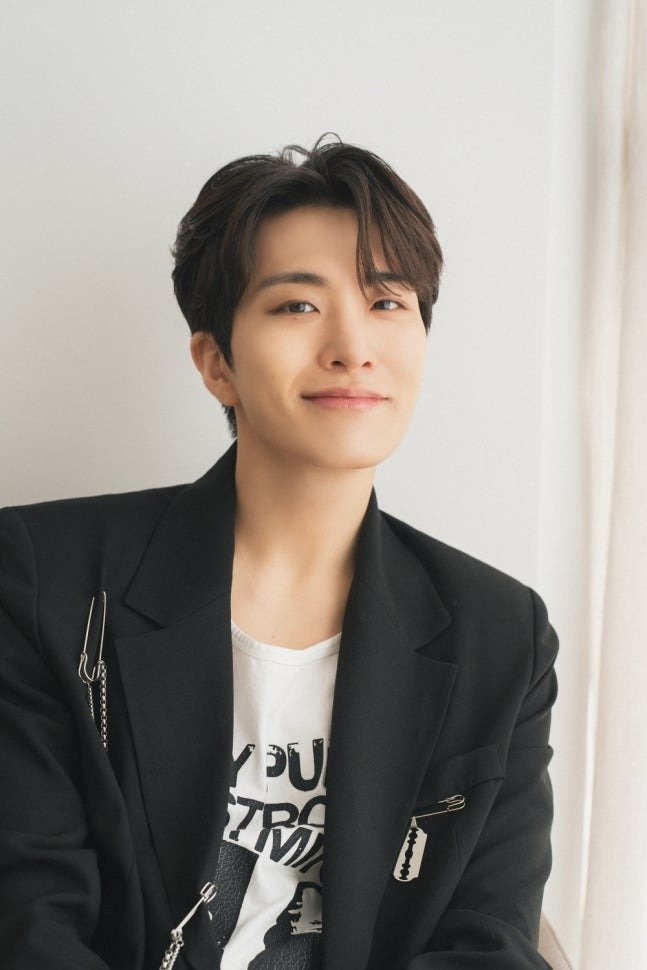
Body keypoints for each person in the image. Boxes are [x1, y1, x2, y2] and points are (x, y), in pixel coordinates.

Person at [0, 133, 558, 969]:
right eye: (298, 305)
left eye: (387, 303)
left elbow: (489, 943)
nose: (352, 347)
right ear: (216, 363)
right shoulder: (48, 578)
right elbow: (30, 920)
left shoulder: (499, 635)